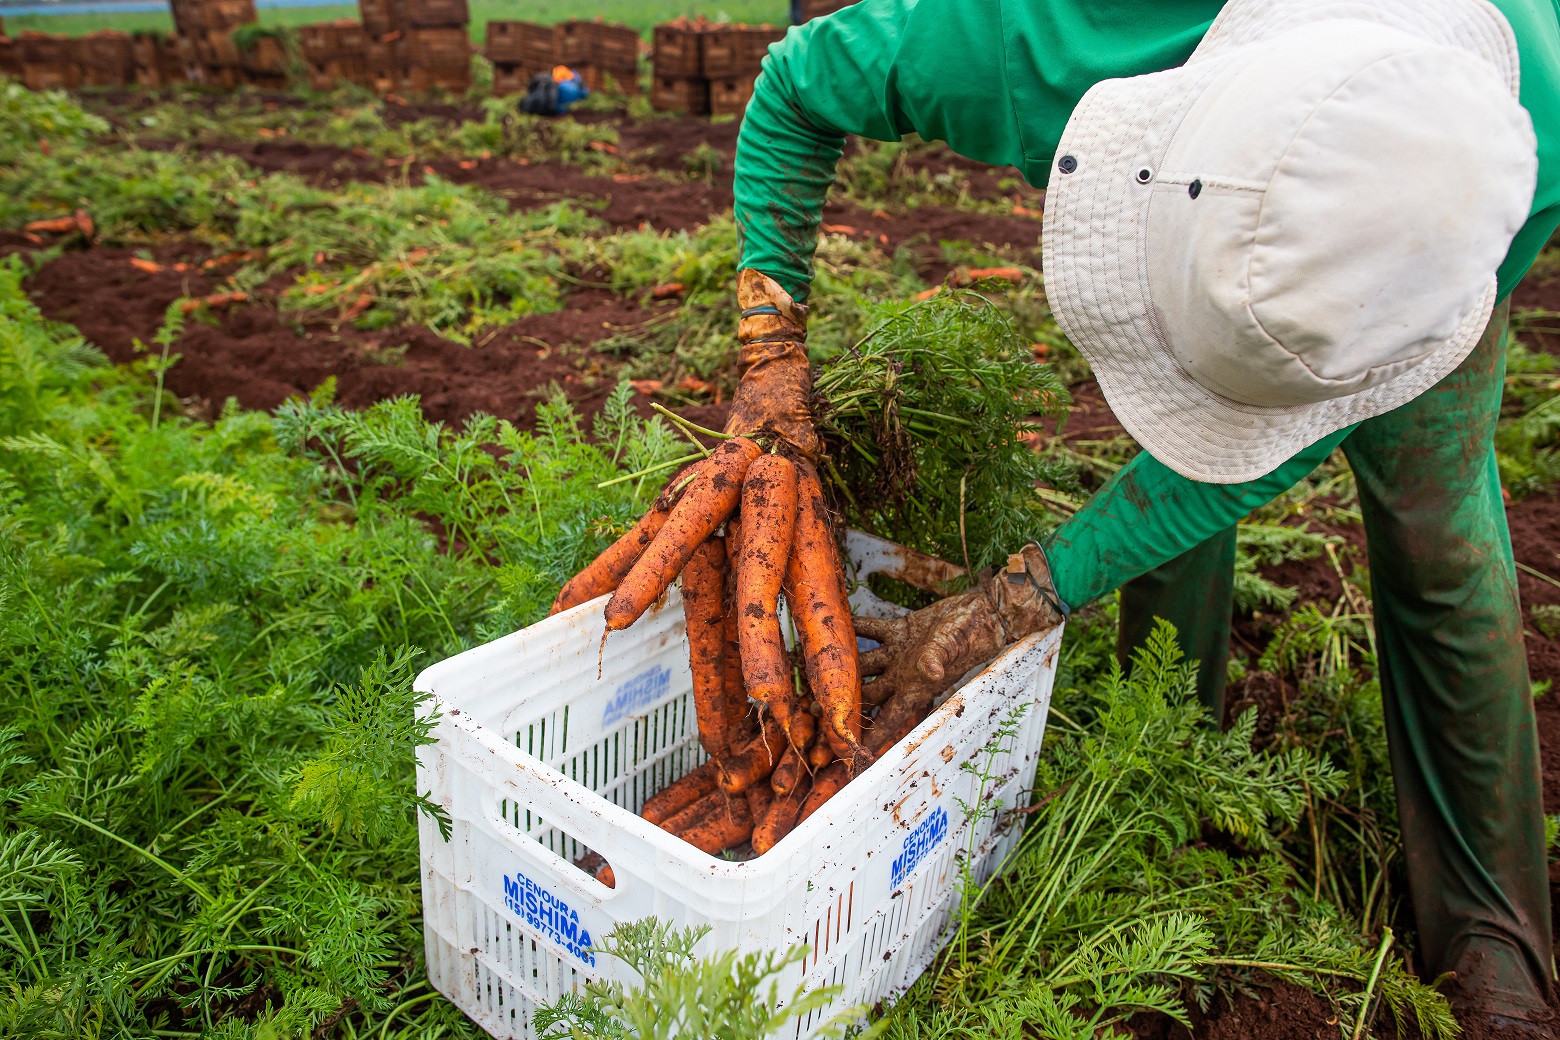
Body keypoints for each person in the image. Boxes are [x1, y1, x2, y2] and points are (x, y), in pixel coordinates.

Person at [558, 0, 1560, 1029]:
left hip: (1429, 237)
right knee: (1184, 462)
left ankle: (1492, 927)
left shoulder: (1520, 125)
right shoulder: (1035, 44)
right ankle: (1167, 740)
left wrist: (1019, 598)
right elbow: (794, 87)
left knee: (1438, 526)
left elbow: (1274, 441)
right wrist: (772, 355)